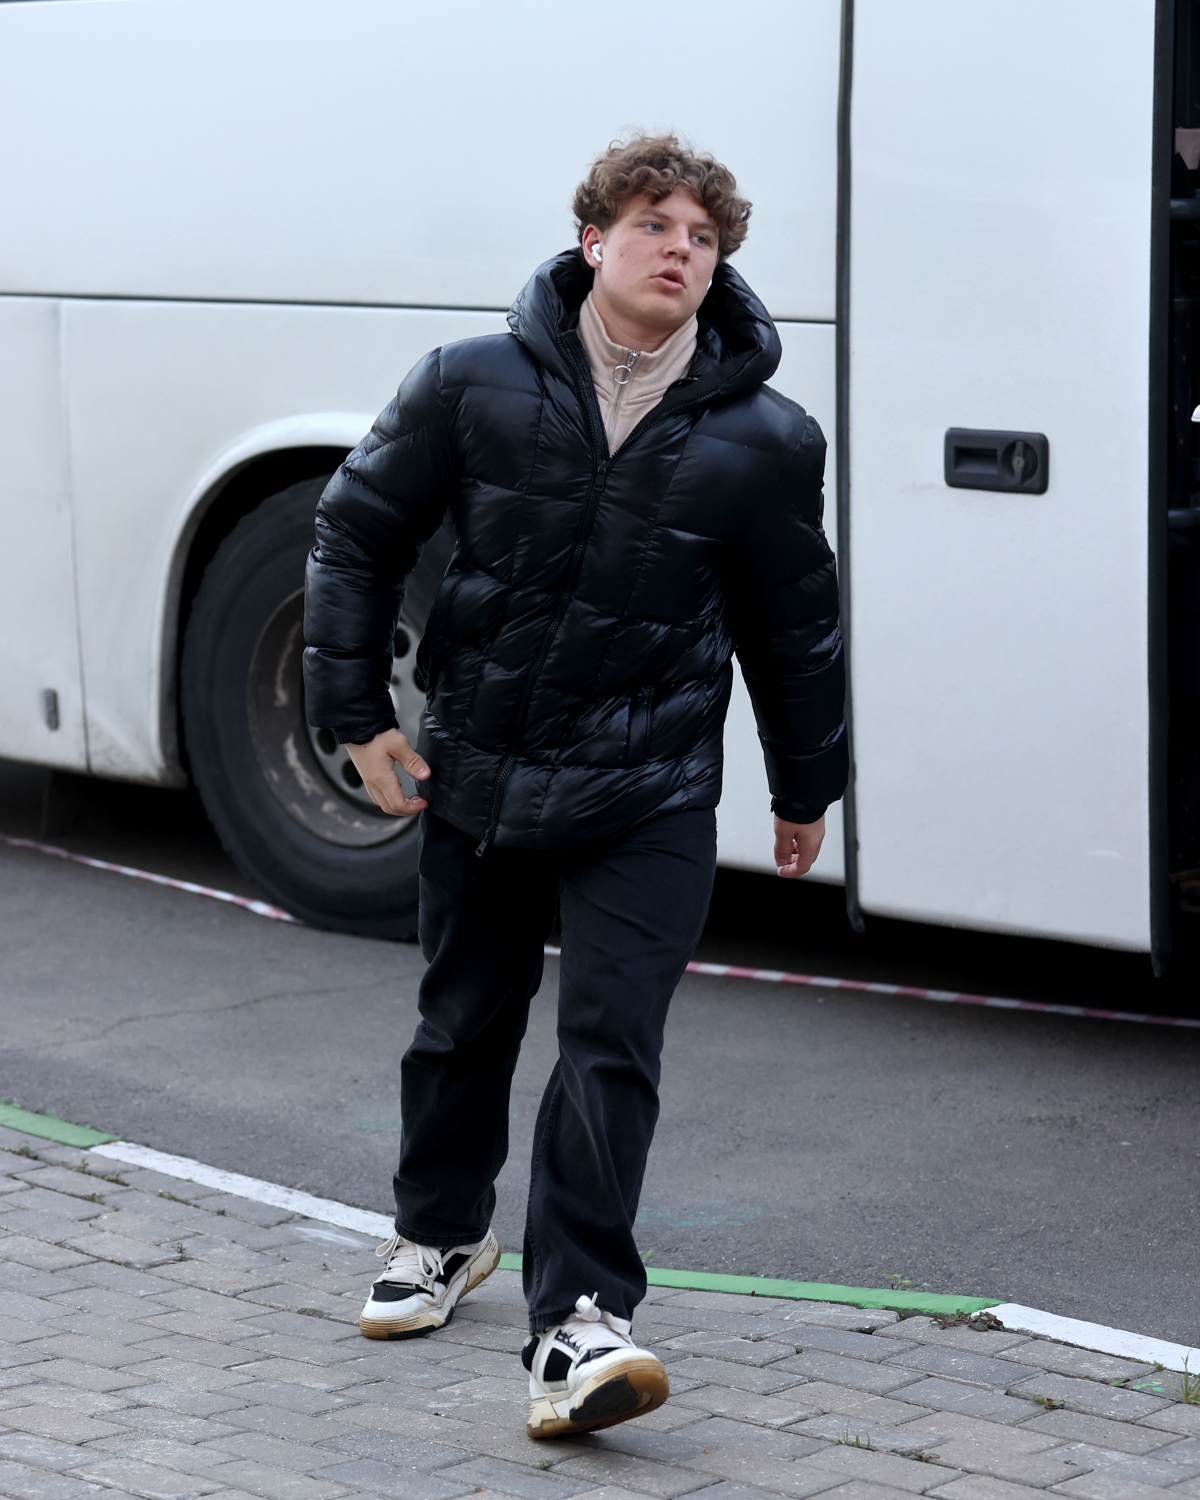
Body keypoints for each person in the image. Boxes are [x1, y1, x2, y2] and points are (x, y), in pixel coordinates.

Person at [303, 133, 847, 1439]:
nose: (680, 250)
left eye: (703, 238)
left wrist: (805, 786)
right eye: (655, 224)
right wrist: (355, 717)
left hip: (651, 786)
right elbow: (356, 532)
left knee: (612, 1043)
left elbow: (795, 626)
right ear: (593, 239)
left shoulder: (768, 438)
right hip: (483, 766)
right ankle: (441, 1234)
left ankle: (580, 1324)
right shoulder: (470, 380)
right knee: (463, 1021)